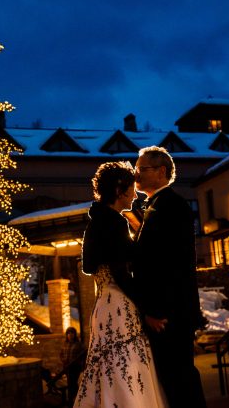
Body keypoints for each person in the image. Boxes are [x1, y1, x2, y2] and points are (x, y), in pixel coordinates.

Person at [74, 161, 168, 408]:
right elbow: (121, 275)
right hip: (119, 306)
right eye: (131, 190)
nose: (135, 195)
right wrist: (148, 311)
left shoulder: (94, 224)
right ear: (119, 191)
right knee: (128, 363)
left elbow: (88, 266)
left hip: (103, 305)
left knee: (108, 366)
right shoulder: (114, 223)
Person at [133, 146, 207, 408]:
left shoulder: (171, 206)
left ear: (161, 171)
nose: (136, 175)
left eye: (142, 169)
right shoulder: (157, 205)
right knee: (174, 378)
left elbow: (169, 262)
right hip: (170, 310)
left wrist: (154, 310)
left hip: (169, 313)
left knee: (178, 379)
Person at [59, 327, 85, 406]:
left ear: (74, 334)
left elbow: (83, 356)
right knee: (71, 383)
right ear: (67, 335)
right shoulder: (64, 344)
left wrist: (80, 364)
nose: (70, 335)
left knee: (72, 383)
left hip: (75, 367)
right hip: (67, 367)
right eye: (68, 333)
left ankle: (72, 400)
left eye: (72, 333)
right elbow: (61, 354)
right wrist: (63, 360)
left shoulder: (78, 344)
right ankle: (75, 398)